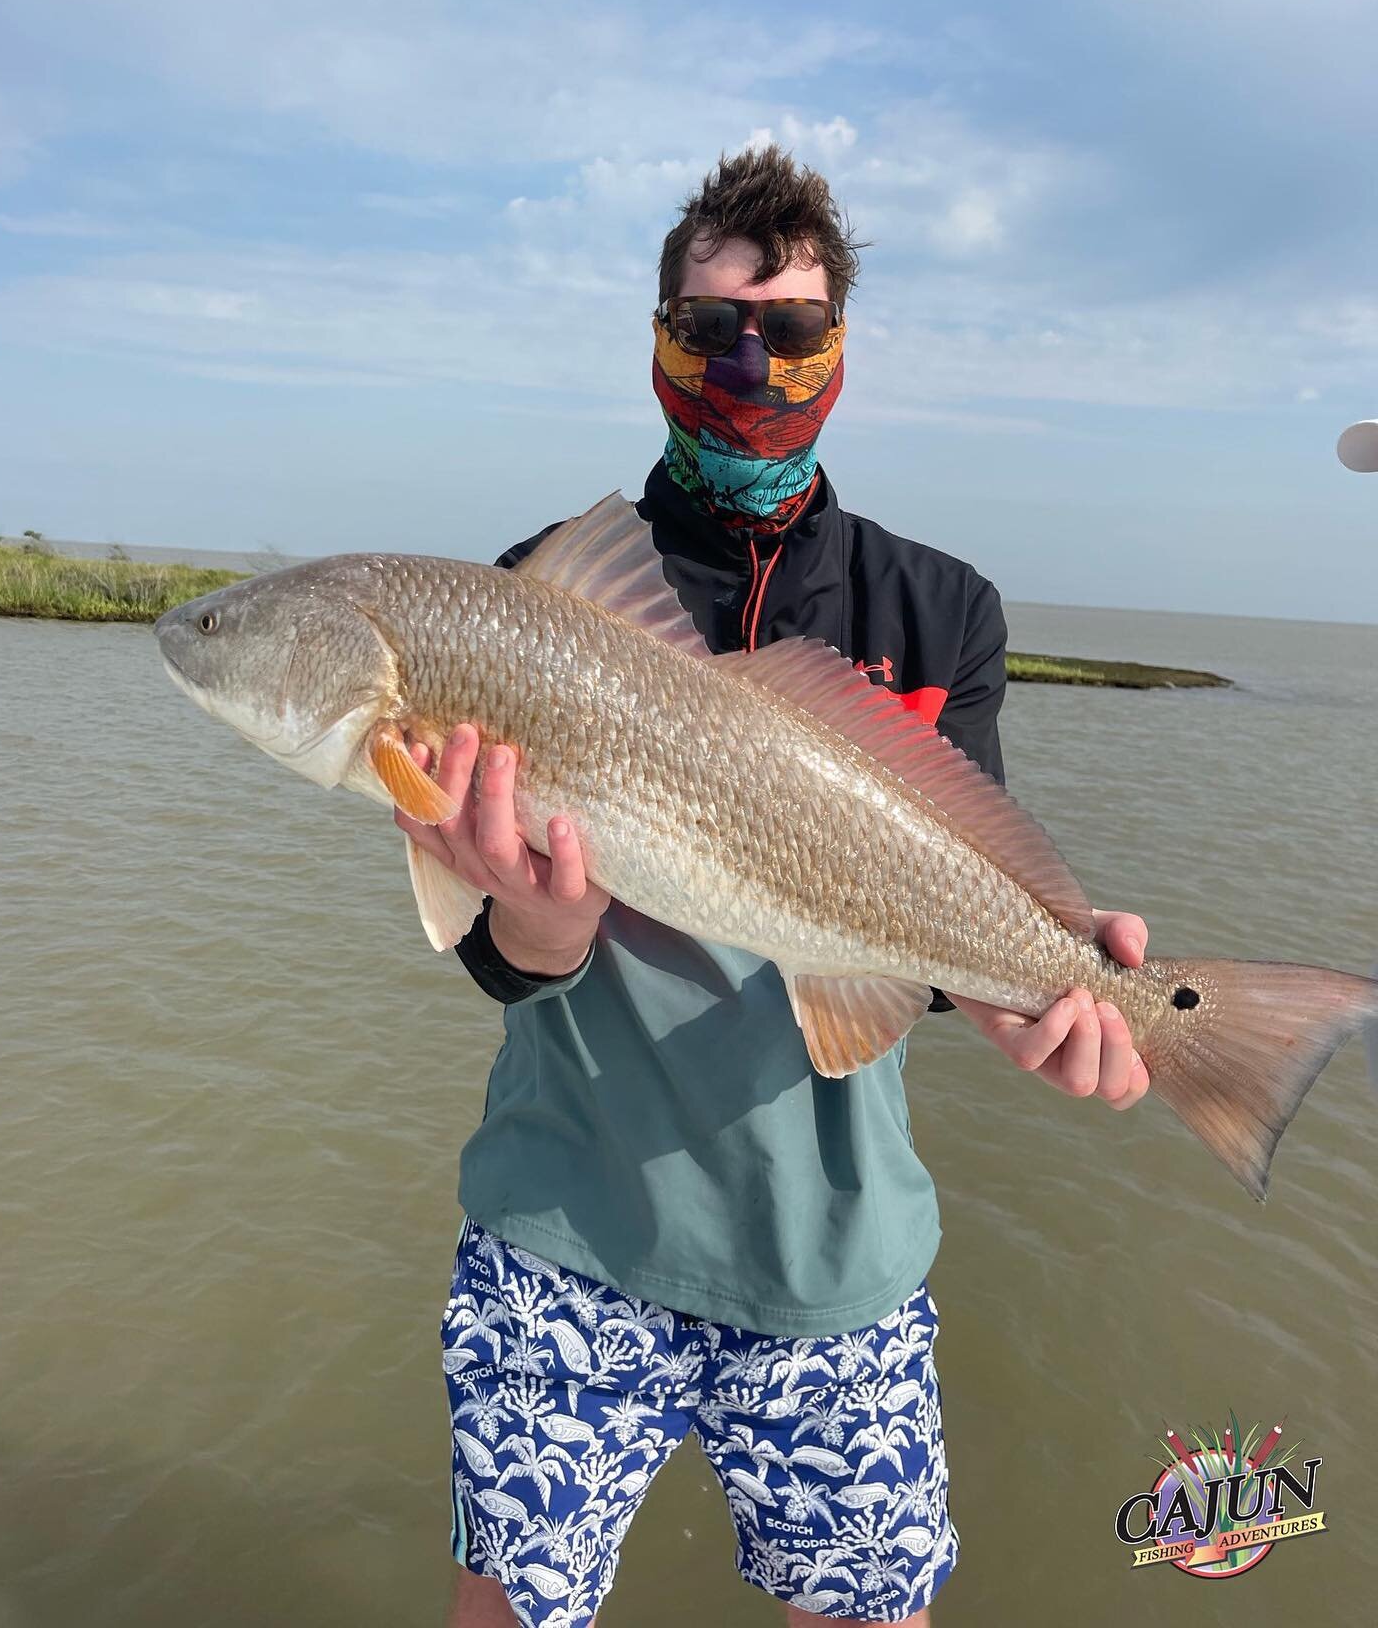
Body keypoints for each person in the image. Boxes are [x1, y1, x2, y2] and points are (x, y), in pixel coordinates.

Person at [396, 145, 1150, 1627]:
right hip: (570, 1225)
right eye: (707, 328)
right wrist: (540, 927)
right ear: (658, 341)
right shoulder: (536, 594)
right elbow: (492, 952)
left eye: (790, 333)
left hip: (837, 1258)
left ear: (841, 349)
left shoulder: (937, 611)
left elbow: (934, 932)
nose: (750, 364)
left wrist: (1026, 999)